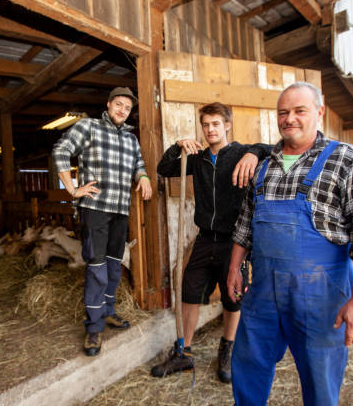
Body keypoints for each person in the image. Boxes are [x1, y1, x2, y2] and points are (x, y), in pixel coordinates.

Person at [227, 81, 353, 405]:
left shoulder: (347, 160)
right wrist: (234, 267)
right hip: (263, 293)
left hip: (321, 296)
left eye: (299, 110)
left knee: (320, 378)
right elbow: (245, 225)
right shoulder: (263, 167)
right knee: (247, 365)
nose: (290, 118)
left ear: (319, 111)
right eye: (283, 112)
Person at [151, 102, 272, 383]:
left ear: (227, 125)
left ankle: (227, 350)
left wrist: (253, 153)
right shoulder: (198, 158)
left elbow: (272, 150)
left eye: (216, 124)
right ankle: (184, 351)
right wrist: (177, 145)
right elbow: (164, 167)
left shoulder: (241, 152)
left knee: (233, 296)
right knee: (190, 290)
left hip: (235, 240)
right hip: (205, 238)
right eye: (206, 125)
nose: (210, 129)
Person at [52, 87, 152, 357]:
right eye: (118, 104)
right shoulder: (89, 127)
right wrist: (73, 190)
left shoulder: (131, 139)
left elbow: (138, 164)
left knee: (113, 266)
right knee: (96, 267)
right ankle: (94, 328)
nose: (122, 110)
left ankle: (108, 312)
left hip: (120, 211)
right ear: (108, 105)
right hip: (95, 209)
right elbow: (61, 151)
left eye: (127, 108)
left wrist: (143, 177)